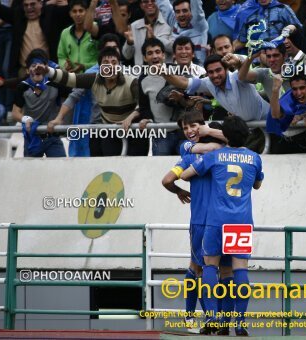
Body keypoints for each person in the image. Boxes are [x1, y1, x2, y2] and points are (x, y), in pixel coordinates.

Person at [180, 115, 264, 336]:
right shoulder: (255, 158)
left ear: (225, 135)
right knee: (240, 270)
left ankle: (214, 318)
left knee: (209, 268)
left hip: (216, 221)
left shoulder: (215, 157)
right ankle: (240, 322)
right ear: (245, 135)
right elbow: (257, 185)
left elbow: (186, 176)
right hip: (242, 221)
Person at [161, 111, 226, 333]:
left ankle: (196, 318)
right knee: (223, 270)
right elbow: (230, 140)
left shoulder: (188, 156)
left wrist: (179, 191)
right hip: (224, 221)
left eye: (194, 126)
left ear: (203, 126)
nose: (189, 131)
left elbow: (167, 180)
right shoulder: (224, 152)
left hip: (200, 220)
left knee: (198, 267)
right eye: (185, 127)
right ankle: (221, 320)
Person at [41, 47, 146, 156]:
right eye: (106, 63)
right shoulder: (93, 79)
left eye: (114, 63)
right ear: (100, 67)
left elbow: (143, 104)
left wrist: (130, 117)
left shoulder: (132, 81)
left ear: (119, 66)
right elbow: (69, 78)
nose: (110, 66)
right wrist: (48, 71)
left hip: (135, 131)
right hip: (109, 131)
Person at [0, 0, 72, 77]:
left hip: (48, 70)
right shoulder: (18, 16)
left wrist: (68, 3)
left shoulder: (52, 14)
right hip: (25, 72)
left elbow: (76, 8)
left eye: (32, 4)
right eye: (26, 5)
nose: (29, 8)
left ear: (41, 3)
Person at [11, 49, 67, 157]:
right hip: (32, 136)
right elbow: (15, 113)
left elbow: (72, 98)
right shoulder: (22, 87)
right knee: (30, 172)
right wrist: (25, 119)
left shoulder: (55, 84)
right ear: (27, 70)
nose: (37, 68)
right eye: (33, 65)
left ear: (46, 69)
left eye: (40, 65)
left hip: (52, 136)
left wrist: (59, 117)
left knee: (61, 169)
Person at [233, 0, 302, 52]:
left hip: (281, 53)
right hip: (256, 57)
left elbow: (300, 30)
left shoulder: (282, 9)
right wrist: (228, 51)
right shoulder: (246, 12)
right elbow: (242, 40)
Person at [122, 0, 174, 66]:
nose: (149, 3)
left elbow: (174, 48)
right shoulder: (134, 26)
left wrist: (155, 38)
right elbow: (127, 56)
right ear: (141, 5)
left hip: (164, 73)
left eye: (153, 1)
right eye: (146, 1)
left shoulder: (169, 23)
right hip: (141, 73)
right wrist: (129, 43)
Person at [58, 0, 99, 74]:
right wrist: (65, 65)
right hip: (72, 79)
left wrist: (85, 67)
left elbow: (102, 57)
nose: (78, 14)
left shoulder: (96, 29)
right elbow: (61, 56)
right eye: (74, 11)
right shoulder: (65, 33)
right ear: (70, 14)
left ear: (86, 12)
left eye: (81, 11)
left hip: (93, 78)